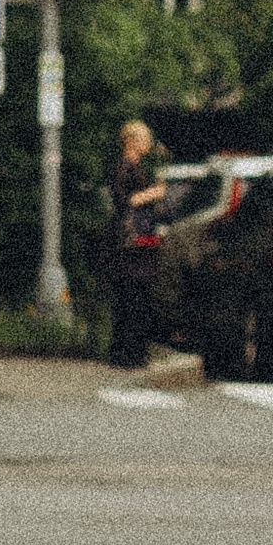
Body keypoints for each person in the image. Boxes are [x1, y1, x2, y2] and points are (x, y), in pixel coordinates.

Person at [106, 117, 166, 367]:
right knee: (132, 296)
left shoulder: (138, 167)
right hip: (130, 244)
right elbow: (125, 201)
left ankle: (132, 352)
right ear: (131, 141)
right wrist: (155, 192)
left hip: (139, 242)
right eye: (144, 139)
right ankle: (126, 354)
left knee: (137, 297)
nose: (149, 144)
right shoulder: (123, 167)